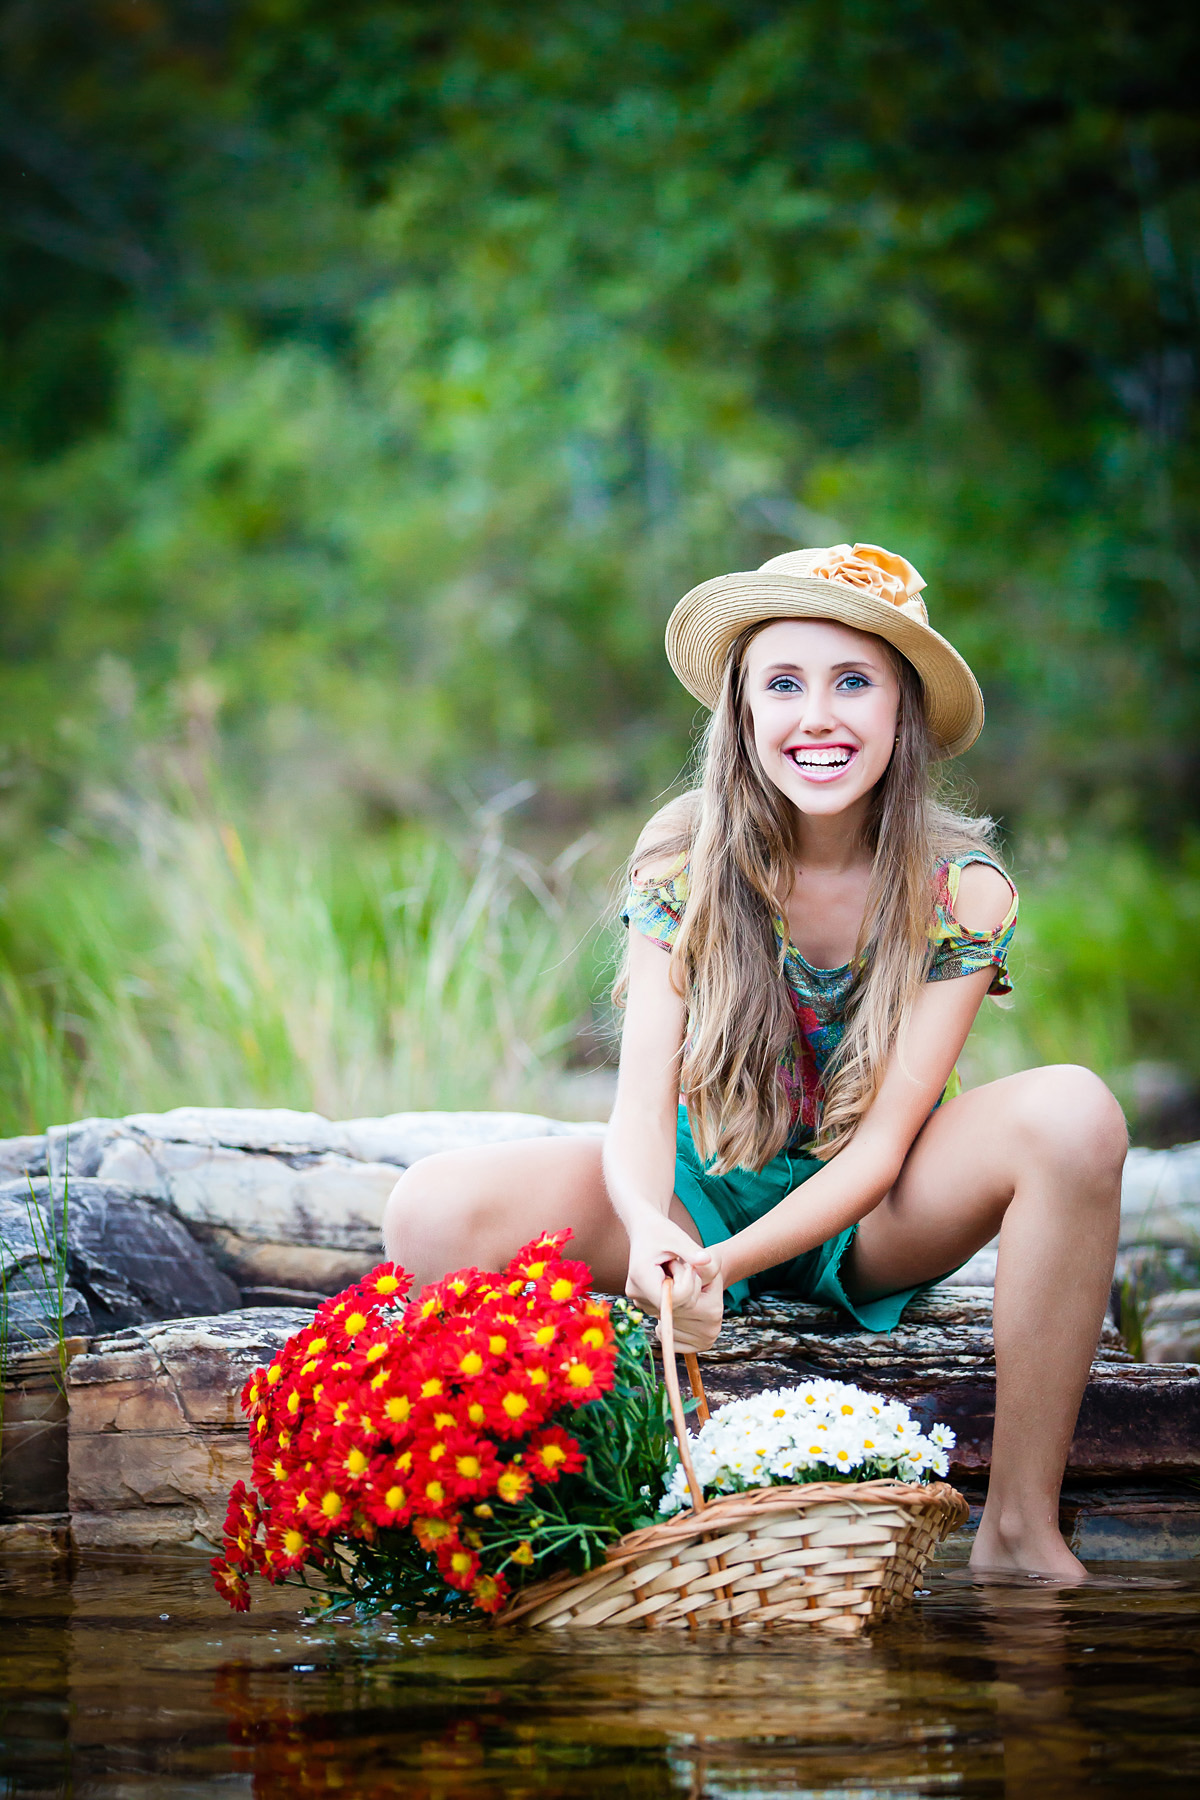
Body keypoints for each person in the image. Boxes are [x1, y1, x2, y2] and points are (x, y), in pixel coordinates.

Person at [382, 542, 1126, 1579]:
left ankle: (1016, 1528)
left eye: (853, 682)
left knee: (1076, 1113)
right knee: (428, 1210)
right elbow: (639, 1107)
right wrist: (652, 1235)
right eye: (784, 684)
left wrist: (729, 1273)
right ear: (741, 715)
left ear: (903, 714)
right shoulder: (683, 865)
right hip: (700, 1185)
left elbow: (880, 1152)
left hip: (874, 1211)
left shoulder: (961, 889)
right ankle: (573, 1521)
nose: (817, 715)